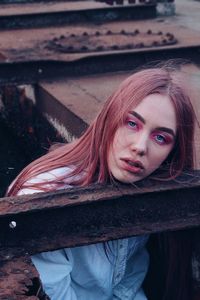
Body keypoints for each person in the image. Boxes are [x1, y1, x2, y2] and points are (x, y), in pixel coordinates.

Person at [7, 63, 195, 300]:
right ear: (110, 118)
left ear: (173, 151)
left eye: (160, 137)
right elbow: (56, 292)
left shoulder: (148, 186)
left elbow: (127, 283)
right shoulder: (41, 192)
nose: (139, 147)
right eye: (132, 123)